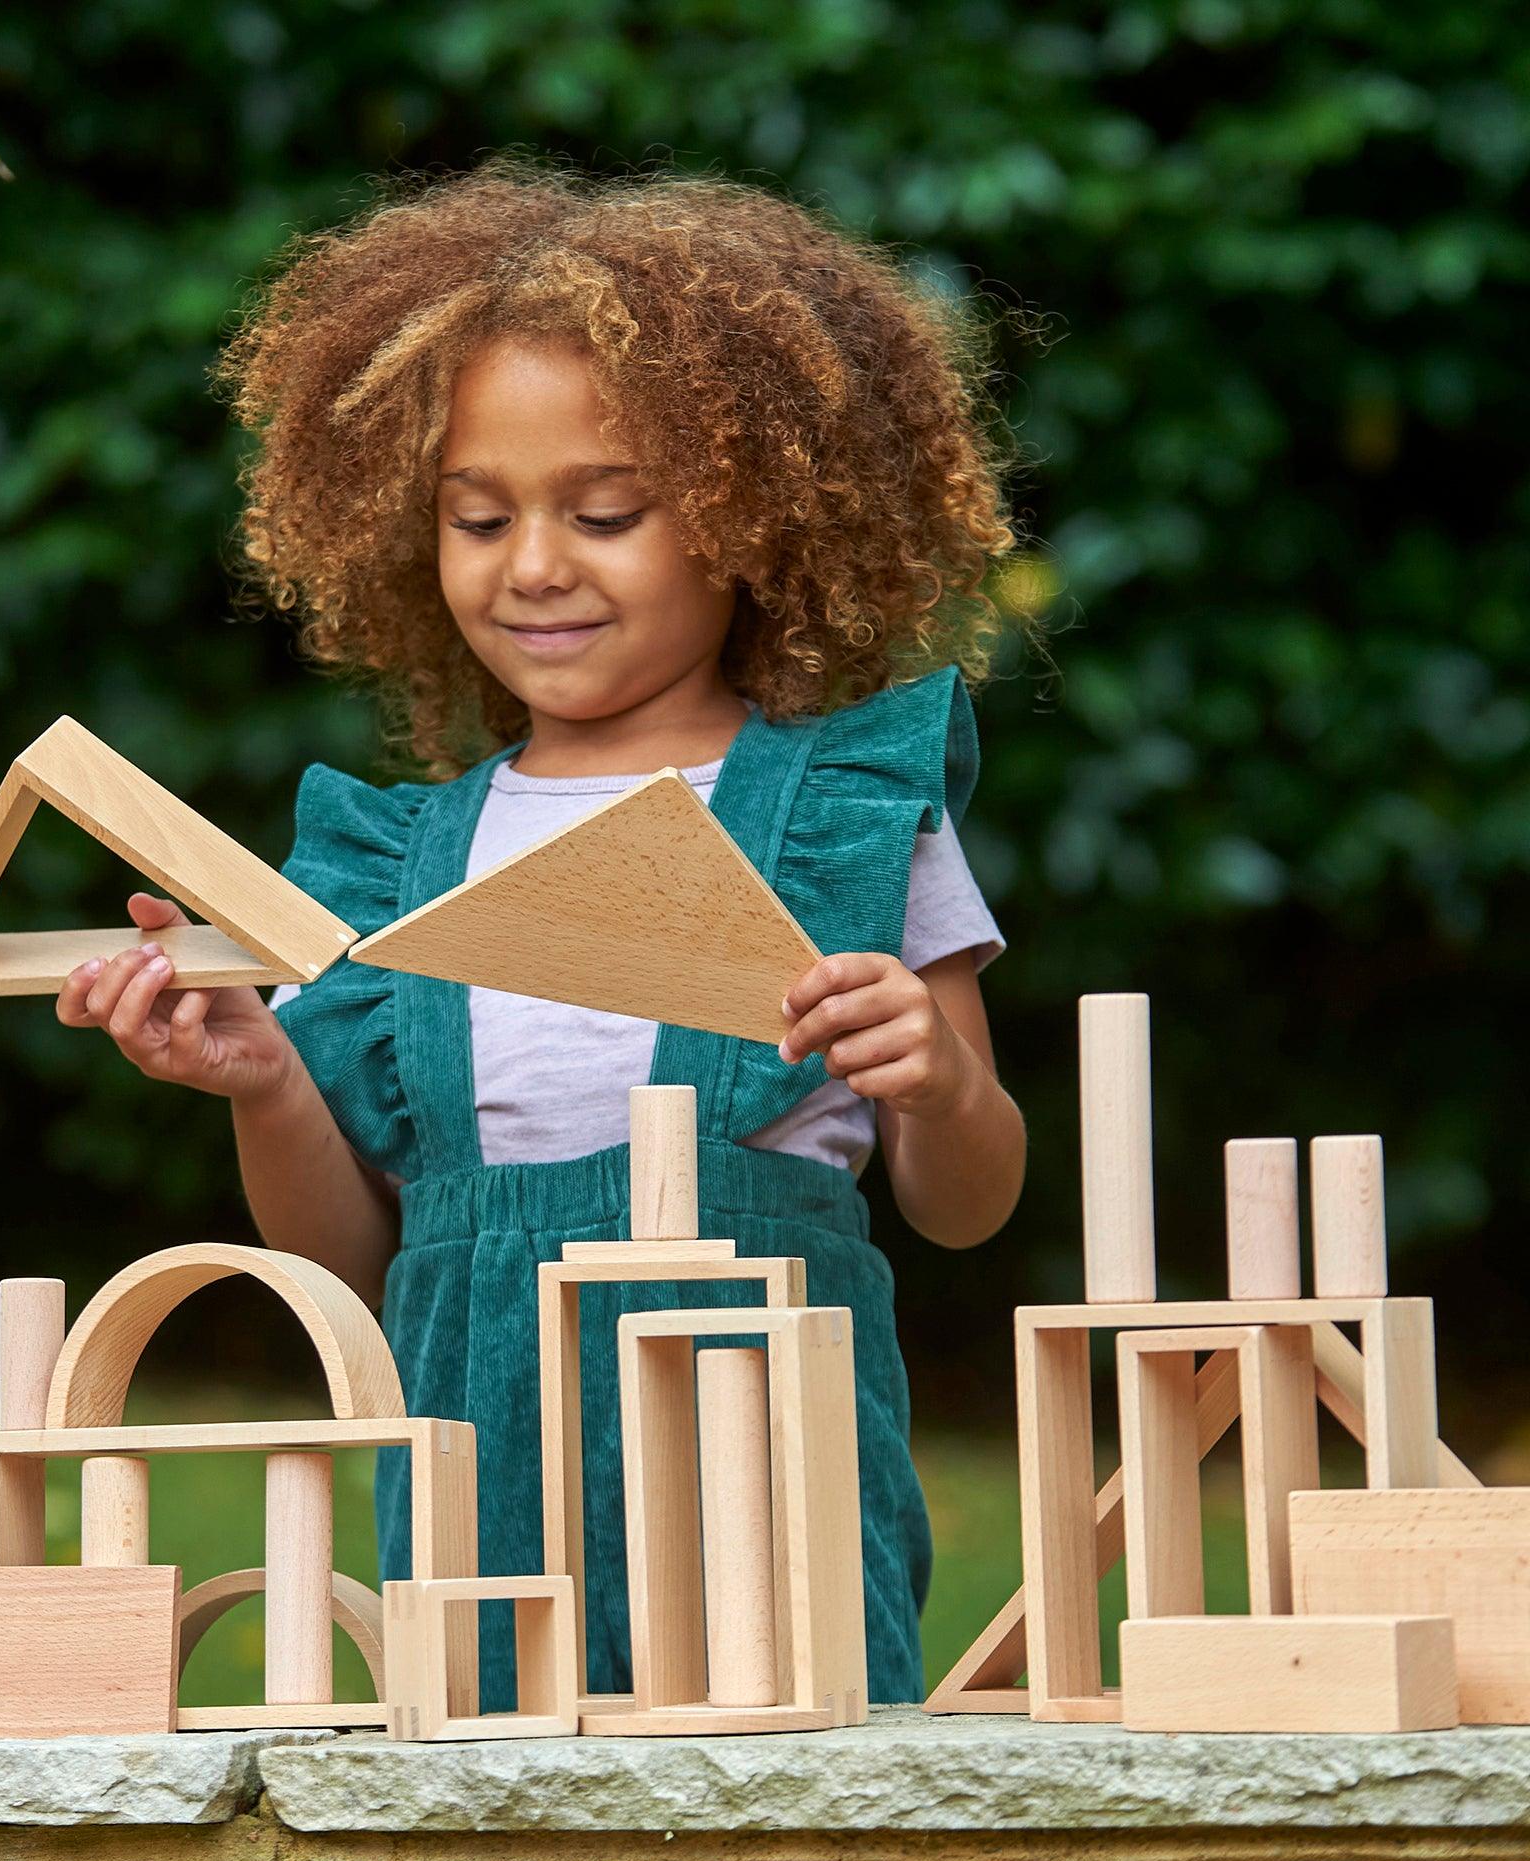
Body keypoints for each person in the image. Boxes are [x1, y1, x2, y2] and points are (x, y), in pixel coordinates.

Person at [56, 156, 1027, 1707]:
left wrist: (941, 1082)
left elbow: (970, 1206)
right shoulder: (400, 868)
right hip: (475, 1494)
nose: (534, 566)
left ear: (750, 517)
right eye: (478, 516)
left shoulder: (848, 813)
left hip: (767, 1481)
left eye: (607, 512)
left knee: (789, 1804)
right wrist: (264, 1083)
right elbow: (353, 1258)